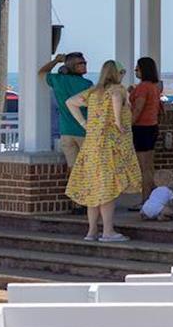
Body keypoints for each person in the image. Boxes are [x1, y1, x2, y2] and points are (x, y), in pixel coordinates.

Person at [65, 59, 141, 242]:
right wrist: (117, 120)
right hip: (110, 145)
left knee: (94, 189)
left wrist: (84, 124)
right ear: (117, 74)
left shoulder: (93, 92)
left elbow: (71, 102)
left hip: (92, 145)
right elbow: (115, 99)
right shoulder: (118, 90)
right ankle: (108, 231)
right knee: (107, 189)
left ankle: (92, 231)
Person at [41, 51, 91, 170]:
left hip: (66, 132)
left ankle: (71, 189)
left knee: (72, 169)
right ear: (71, 67)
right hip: (84, 131)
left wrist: (56, 61)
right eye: (80, 63)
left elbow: (42, 72)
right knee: (89, 169)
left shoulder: (58, 80)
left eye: (84, 62)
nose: (84, 65)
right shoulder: (87, 84)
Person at [129, 57, 163, 197]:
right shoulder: (154, 87)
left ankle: (145, 199)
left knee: (143, 168)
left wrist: (128, 125)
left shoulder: (143, 87)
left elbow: (138, 109)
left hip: (141, 128)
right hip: (152, 127)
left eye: (137, 68)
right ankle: (152, 197)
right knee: (149, 166)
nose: (135, 71)